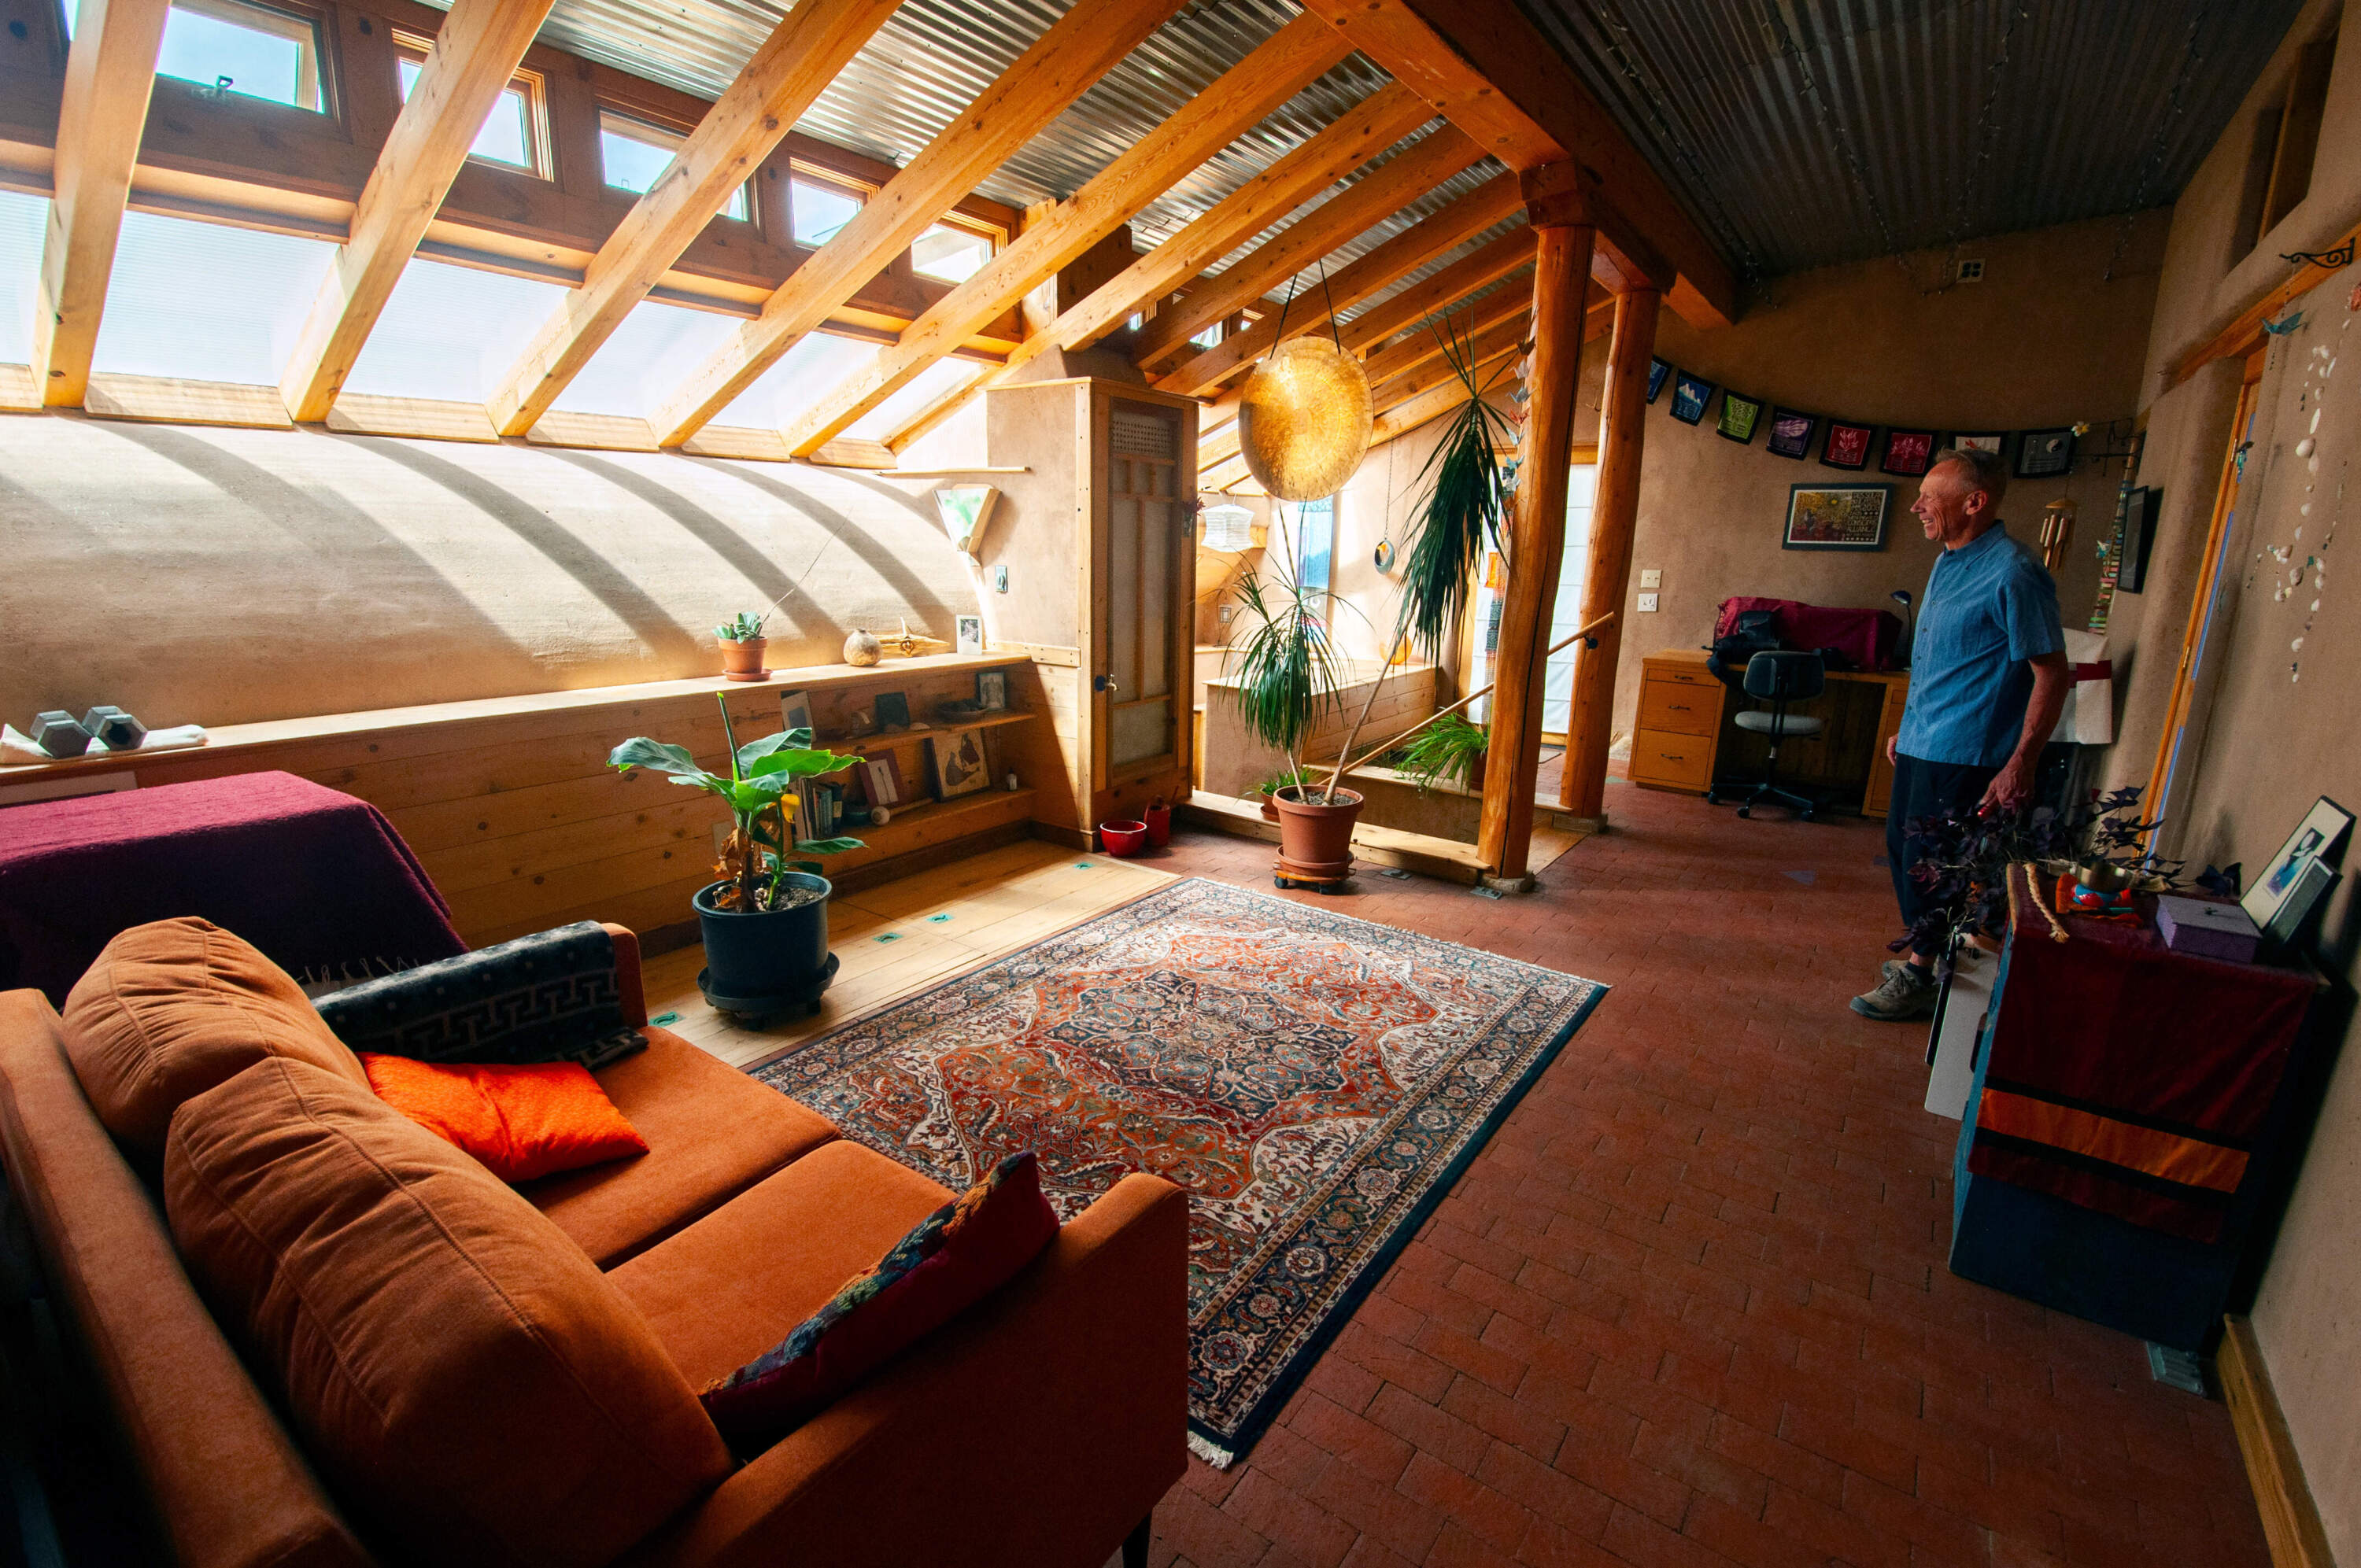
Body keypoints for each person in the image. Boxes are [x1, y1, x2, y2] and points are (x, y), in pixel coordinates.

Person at [1852, 447, 2069, 1021]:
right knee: (1904, 852)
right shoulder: (1950, 558)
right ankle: (1931, 957)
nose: (1917, 506)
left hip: (1970, 751)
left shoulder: (2015, 572)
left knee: (1935, 863)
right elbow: (1938, 657)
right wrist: (1907, 726)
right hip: (1925, 740)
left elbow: (2052, 671)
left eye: (1930, 496)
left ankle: (1924, 972)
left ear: (1975, 502)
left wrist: (2021, 759)